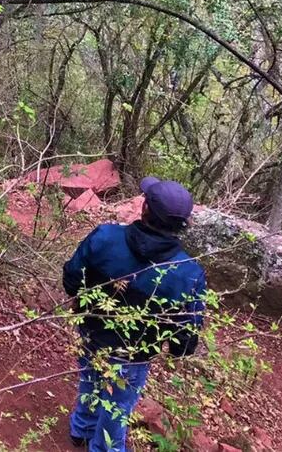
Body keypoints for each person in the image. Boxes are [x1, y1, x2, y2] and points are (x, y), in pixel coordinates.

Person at [62, 176, 206, 451]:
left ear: (144, 210)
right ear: (182, 227)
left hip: (90, 332)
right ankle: (102, 445)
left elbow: (71, 278)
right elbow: (185, 341)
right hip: (134, 356)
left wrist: (84, 305)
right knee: (117, 408)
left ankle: (81, 429)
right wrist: (172, 348)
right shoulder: (189, 273)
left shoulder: (104, 236)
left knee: (90, 379)